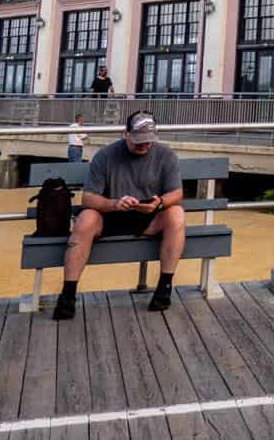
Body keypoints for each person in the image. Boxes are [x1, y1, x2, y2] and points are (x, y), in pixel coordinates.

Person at [54, 111, 185, 318]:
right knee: (85, 218)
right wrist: (115, 204)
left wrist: (159, 203)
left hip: (147, 215)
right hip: (109, 215)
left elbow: (176, 193)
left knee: (176, 214)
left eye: (148, 142)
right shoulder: (105, 155)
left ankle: (164, 287)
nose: (144, 146)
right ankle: (68, 294)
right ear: (125, 134)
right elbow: (88, 198)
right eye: (138, 141)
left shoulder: (166, 155)